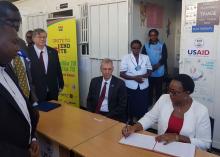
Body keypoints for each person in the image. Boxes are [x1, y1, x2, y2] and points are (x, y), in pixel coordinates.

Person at [122, 74, 211, 150]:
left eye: (175, 93)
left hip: (184, 151)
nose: (170, 95)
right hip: (161, 147)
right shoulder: (164, 98)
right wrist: (134, 127)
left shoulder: (201, 111)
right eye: (169, 90)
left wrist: (177, 138)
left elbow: (205, 143)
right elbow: (150, 118)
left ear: (187, 93)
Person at [0, 22, 39, 157]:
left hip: (28, 144)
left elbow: (22, 108)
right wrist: (25, 154)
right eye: (14, 42)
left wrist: (32, 137)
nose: (19, 49)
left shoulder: (7, 69)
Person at [0, 1, 39, 105]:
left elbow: (27, 72)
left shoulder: (21, 43)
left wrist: (33, 98)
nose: (16, 25)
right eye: (11, 21)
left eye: (18, 21)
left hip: (29, 100)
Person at [120, 40, 152, 123]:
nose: (136, 50)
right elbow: (122, 74)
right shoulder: (126, 58)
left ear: (140, 48)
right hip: (130, 86)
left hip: (143, 85)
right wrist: (134, 78)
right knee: (131, 104)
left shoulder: (145, 57)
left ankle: (141, 121)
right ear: (131, 48)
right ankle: (130, 119)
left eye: (138, 48)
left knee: (142, 104)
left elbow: (149, 71)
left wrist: (141, 77)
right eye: (134, 48)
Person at [28, 28, 64, 102]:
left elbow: (58, 69)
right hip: (36, 92)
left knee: (54, 111)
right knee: (39, 113)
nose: (42, 39)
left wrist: (61, 83)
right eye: (39, 37)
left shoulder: (53, 52)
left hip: (52, 90)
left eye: (44, 37)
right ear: (33, 39)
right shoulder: (27, 52)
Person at [142, 29, 168, 107]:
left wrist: (156, 66)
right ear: (149, 36)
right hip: (149, 71)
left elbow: (164, 57)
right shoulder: (146, 45)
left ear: (157, 35)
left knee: (158, 89)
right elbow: (143, 57)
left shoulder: (162, 44)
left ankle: (158, 104)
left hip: (159, 71)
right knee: (149, 89)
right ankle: (149, 103)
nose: (153, 37)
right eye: (151, 35)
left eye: (154, 35)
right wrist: (149, 67)